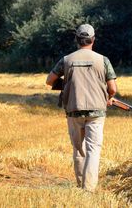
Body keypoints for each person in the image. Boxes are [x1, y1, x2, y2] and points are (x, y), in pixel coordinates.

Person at [46, 24, 117, 192]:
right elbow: (112, 88)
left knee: (79, 149)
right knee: (93, 150)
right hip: (97, 112)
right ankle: (89, 189)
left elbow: (49, 81)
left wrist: (67, 82)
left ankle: (80, 185)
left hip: (73, 110)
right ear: (93, 40)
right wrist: (110, 98)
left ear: (77, 40)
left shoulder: (66, 60)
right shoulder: (103, 60)